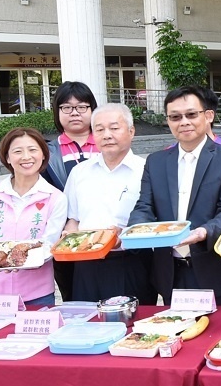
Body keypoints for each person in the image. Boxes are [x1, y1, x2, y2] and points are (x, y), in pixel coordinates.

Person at [129, 86, 221, 306]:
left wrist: (203, 232)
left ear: (208, 116)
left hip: (215, 268)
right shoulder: (156, 161)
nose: (183, 122)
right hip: (169, 271)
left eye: (191, 114)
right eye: (175, 117)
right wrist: (134, 229)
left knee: (218, 338)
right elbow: (144, 206)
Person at [0, 128, 66, 306]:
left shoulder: (56, 198)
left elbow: (50, 243)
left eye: (33, 150)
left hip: (36, 293)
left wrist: (17, 261)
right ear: (7, 157)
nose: (26, 157)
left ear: (44, 155)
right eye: (17, 151)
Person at [63, 103, 157, 305]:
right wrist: (69, 234)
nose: (107, 135)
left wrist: (126, 236)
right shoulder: (80, 172)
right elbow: (73, 218)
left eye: (114, 128)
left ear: (131, 131)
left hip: (132, 261)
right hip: (86, 264)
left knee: (133, 326)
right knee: (87, 324)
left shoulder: (147, 170)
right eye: (99, 129)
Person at [44, 81, 100, 302]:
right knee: (74, 298)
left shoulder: (109, 144)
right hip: (65, 239)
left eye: (82, 107)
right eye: (66, 107)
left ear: (92, 110)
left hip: (107, 236)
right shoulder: (46, 152)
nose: (74, 113)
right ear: (57, 112)